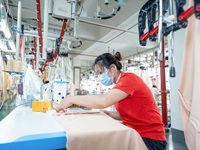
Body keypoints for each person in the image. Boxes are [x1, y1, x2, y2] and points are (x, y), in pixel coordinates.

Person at [55, 52, 167, 150]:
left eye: (100, 72)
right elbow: (130, 113)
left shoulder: (129, 79)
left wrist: (71, 99)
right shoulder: (119, 85)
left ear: (112, 68)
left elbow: (104, 100)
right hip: (134, 133)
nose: (100, 76)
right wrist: (109, 114)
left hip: (151, 138)